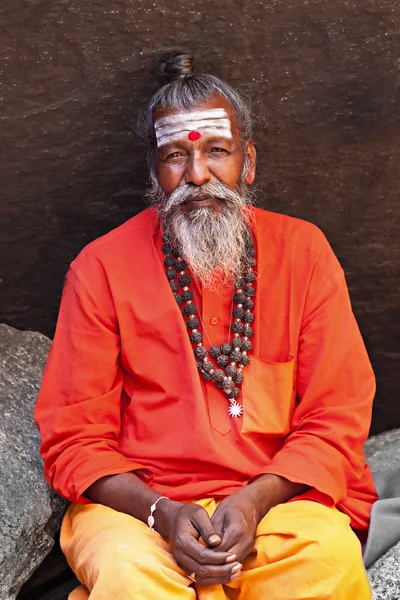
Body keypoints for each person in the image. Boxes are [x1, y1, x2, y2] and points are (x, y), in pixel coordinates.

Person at [35, 53, 378, 600]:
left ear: (250, 163)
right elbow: (74, 437)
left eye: (216, 151)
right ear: (154, 172)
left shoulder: (305, 255)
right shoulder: (100, 269)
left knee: (325, 562)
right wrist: (162, 513)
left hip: (279, 505)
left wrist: (253, 500)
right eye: (176, 155)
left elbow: (336, 418)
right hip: (142, 513)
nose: (197, 176)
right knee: (128, 577)